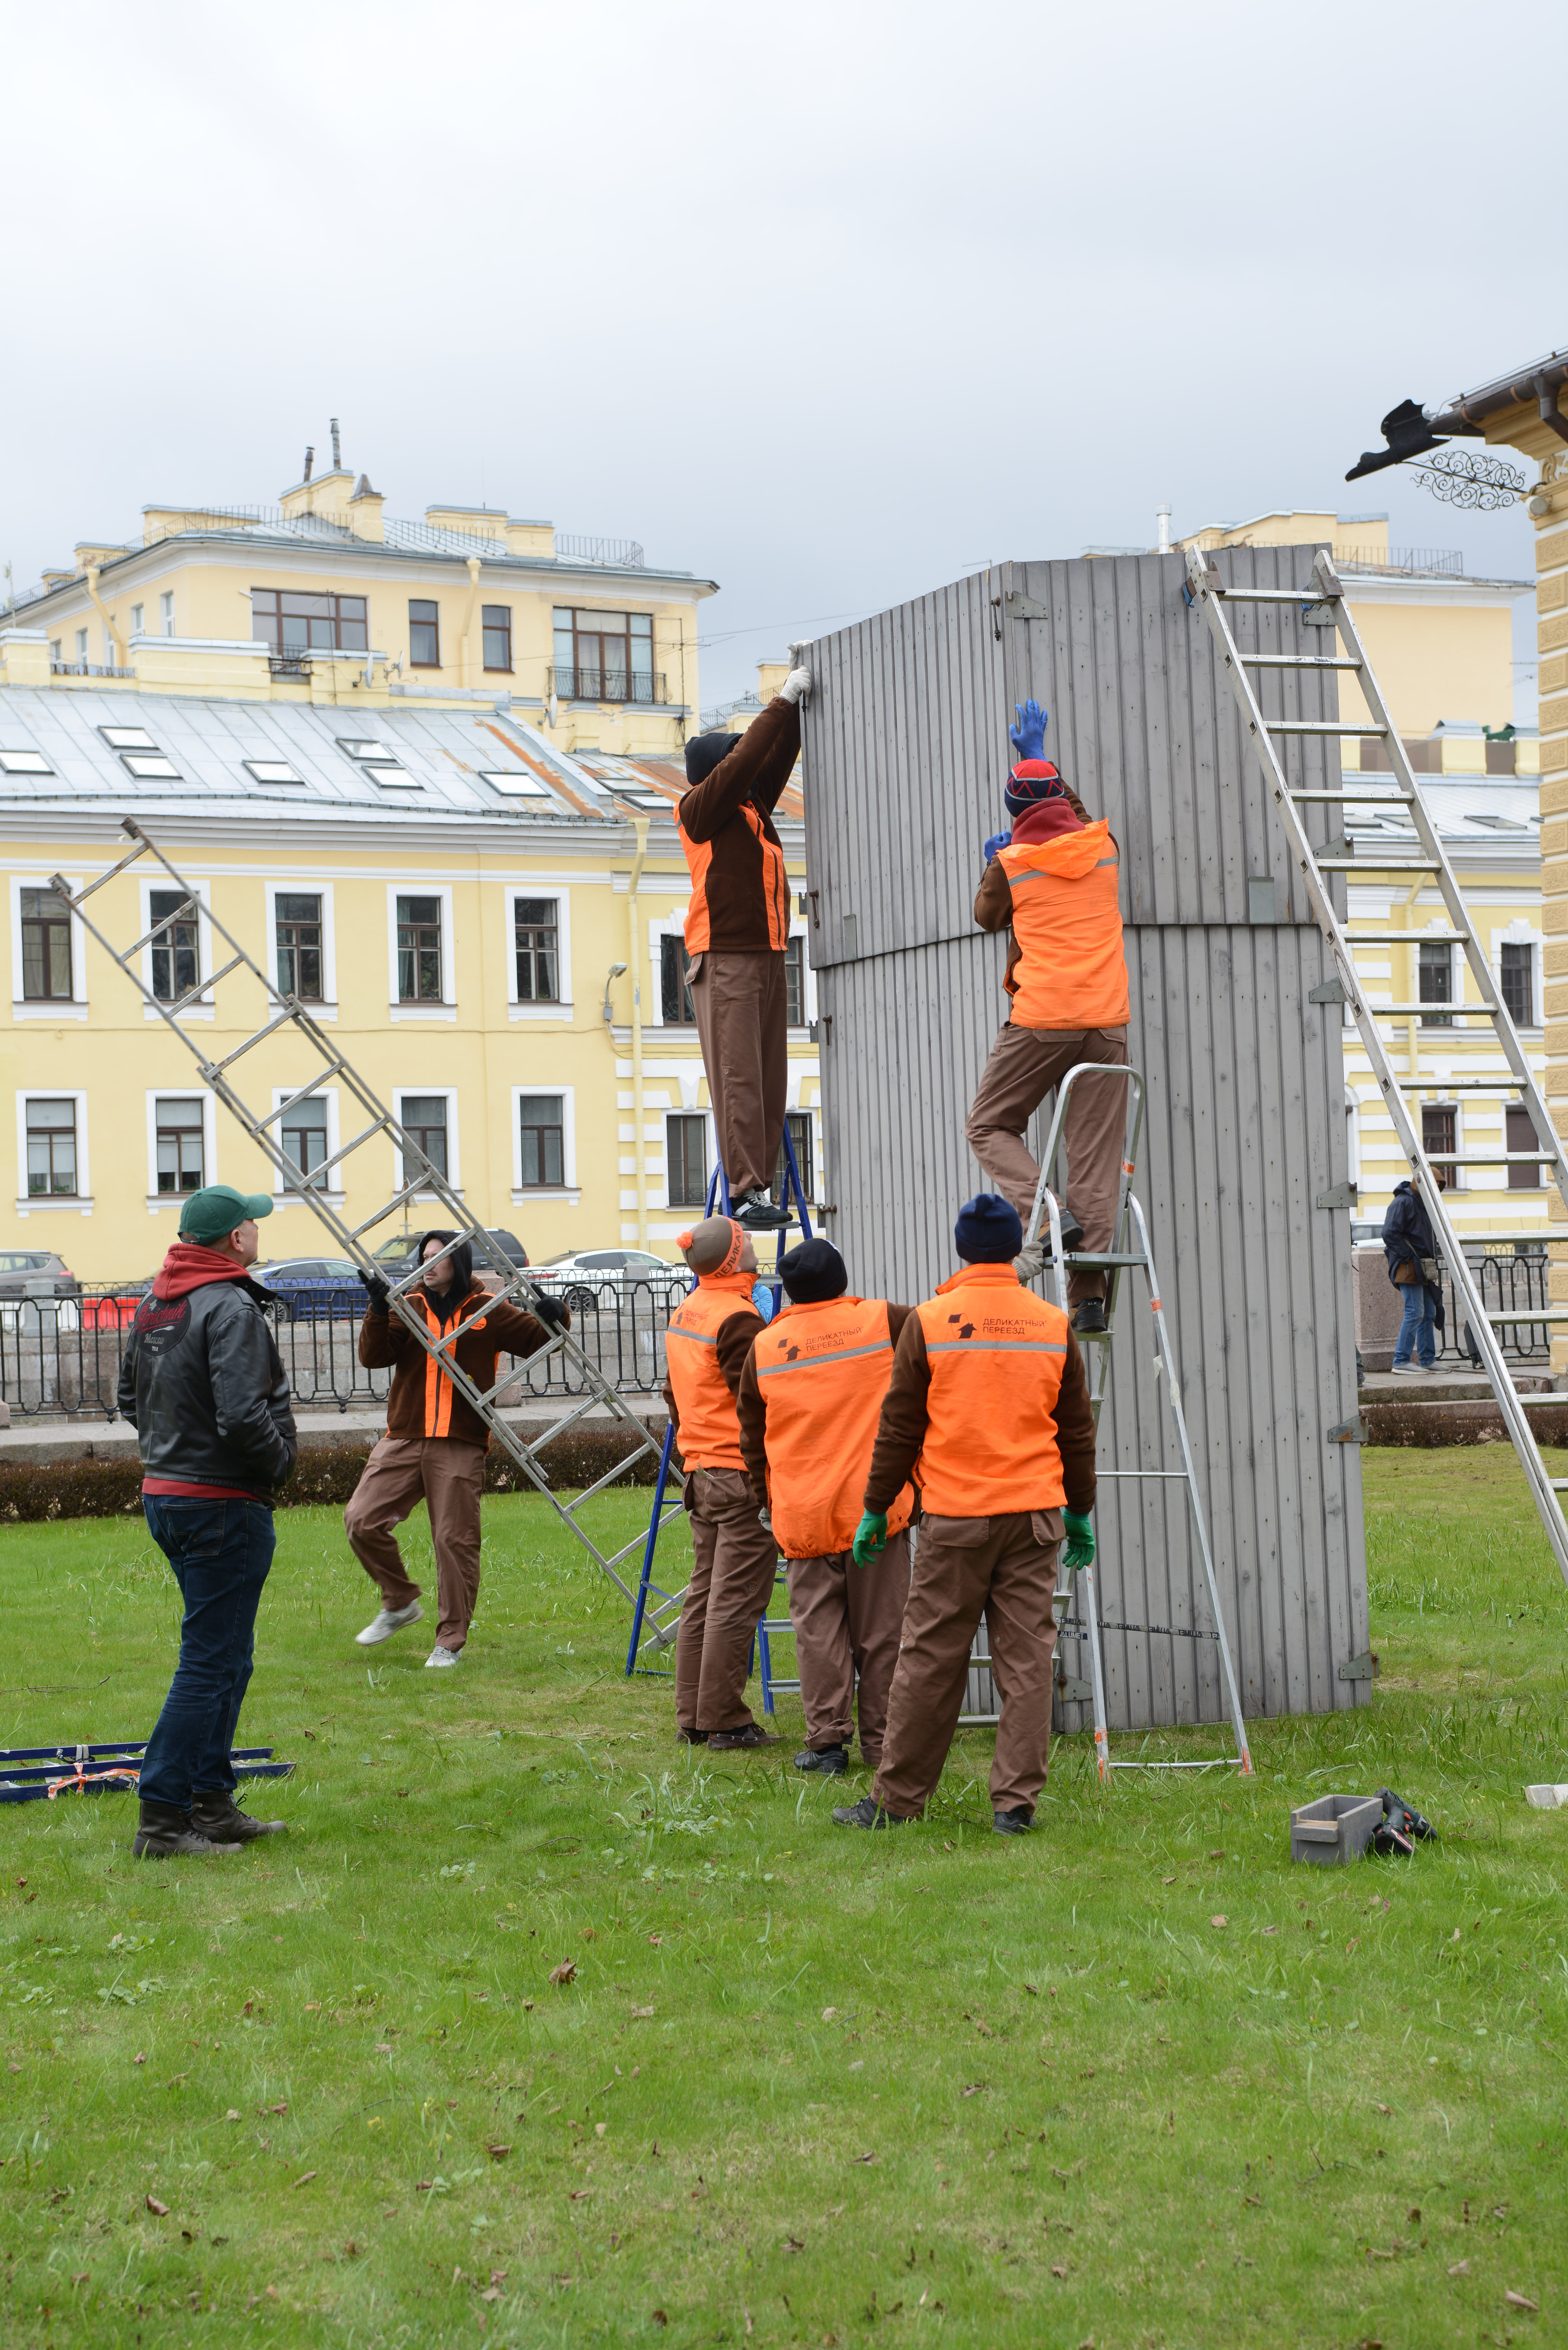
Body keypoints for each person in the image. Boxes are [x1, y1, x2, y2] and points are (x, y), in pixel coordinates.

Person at [833, 1194, 1097, 1836]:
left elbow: (897, 1428)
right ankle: (1014, 1804)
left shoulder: (928, 1321)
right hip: (1035, 1519)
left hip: (955, 1520)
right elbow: (1076, 1432)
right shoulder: (1049, 1322)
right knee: (1027, 1662)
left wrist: (874, 1509)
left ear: (959, 1248)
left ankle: (896, 1800)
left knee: (927, 1658)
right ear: (1013, 1248)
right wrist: (1081, 1512)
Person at [116, 1184, 298, 1859]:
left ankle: (211, 1802)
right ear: (234, 1239)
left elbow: (128, 1398)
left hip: (169, 1496)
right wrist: (278, 1465)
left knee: (228, 1655)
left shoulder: (155, 1303)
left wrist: (175, 1453)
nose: (257, 1227)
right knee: (209, 1661)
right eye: (251, 1221)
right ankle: (163, 1817)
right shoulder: (228, 1304)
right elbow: (244, 1415)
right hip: (222, 1502)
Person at [964, 698, 1132, 1332]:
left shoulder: (1011, 865)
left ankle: (1041, 1216)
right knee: (1091, 1154)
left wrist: (996, 859)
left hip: (1041, 1018)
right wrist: (1037, 759)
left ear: (1013, 818)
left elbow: (985, 918)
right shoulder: (1104, 847)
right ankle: (1088, 1300)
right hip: (1106, 1023)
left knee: (988, 1124)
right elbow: (1074, 815)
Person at [347, 1231, 569, 1665]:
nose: (429, 1265)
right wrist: (377, 1310)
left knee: (454, 1540)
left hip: (460, 1442)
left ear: (459, 1262)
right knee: (360, 1520)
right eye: (425, 1257)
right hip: (405, 1438)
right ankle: (400, 1602)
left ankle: (449, 1641)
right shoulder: (409, 1306)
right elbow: (374, 1357)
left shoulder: (487, 1311)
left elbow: (539, 1337)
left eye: (439, 1258)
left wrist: (555, 1312)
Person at [736, 1237, 915, 1777]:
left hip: (804, 1514)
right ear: (841, 1279)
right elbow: (948, 1338)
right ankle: (883, 1746)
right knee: (883, 1635)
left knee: (818, 1633)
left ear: (789, 1292)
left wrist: (766, 1502)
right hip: (875, 1513)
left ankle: (827, 1744)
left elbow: (752, 1437)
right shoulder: (884, 1321)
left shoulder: (766, 1346)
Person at [678, 662, 813, 1230]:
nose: (746, 765)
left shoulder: (752, 810)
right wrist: (779, 703)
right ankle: (745, 1190)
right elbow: (745, 762)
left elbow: (770, 757)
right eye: (733, 757)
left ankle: (762, 1186)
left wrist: (797, 715)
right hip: (725, 956)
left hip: (768, 954)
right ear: (715, 769)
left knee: (770, 1079)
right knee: (739, 1077)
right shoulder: (700, 810)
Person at [662, 1214, 778, 1748]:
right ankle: (724, 1720)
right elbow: (756, 1403)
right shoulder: (737, 1319)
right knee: (735, 1602)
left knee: (704, 1597)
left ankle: (693, 1716)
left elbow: (672, 1394)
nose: (753, 1242)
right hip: (738, 1475)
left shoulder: (690, 1309)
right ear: (733, 1260)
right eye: (746, 1240)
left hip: (702, 1472)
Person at [1382, 1171, 1444, 1374]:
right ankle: (1401, 1361)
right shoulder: (1403, 1202)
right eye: (1434, 1184)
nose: (1436, 1188)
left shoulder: (1422, 1204)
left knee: (1428, 1313)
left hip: (1420, 1267)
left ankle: (1427, 1360)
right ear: (1421, 1183)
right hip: (1409, 1267)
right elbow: (1390, 1234)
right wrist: (1409, 1257)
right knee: (1415, 1312)